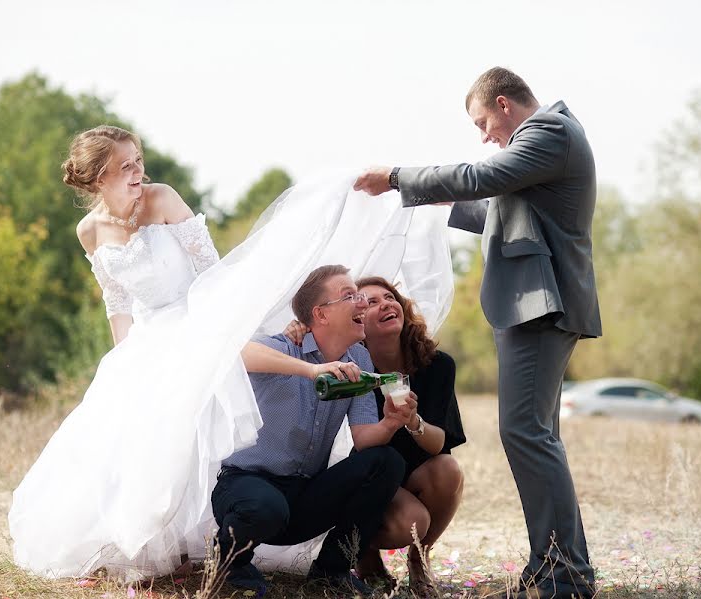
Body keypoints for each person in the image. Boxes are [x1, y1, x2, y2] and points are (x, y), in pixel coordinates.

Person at [354, 67, 601, 599]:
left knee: (527, 435)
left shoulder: (549, 132)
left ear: (506, 104)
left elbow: (482, 177)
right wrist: (442, 204)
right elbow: (497, 209)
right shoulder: (548, 144)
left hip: (541, 306)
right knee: (537, 436)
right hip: (535, 304)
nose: (484, 135)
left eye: (483, 122)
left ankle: (565, 574)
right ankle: (556, 564)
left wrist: (398, 177)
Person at [8, 126, 263, 580]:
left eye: (138, 161)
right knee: (126, 434)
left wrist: (218, 334)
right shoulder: (89, 231)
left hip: (196, 325)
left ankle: (206, 542)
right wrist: (123, 359)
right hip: (145, 339)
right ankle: (141, 544)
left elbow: (214, 272)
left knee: (187, 431)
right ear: (97, 178)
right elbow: (117, 300)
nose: (138, 173)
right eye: (125, 167)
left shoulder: (162, 198)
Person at [212, 265, 413, 597]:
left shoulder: (359, 360)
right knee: (266, 507)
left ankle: (331, 571)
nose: (362, 303)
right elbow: (236, 354)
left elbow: (364, 438)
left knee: (386, 461)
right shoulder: (286, 347)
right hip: (246, 488)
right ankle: (231, 562)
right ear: (320, 314)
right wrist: (313, 369)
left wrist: (391, 423)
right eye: (351, 296)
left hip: (303, 497)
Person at [356, 276, 466, 597]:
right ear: (356, 323)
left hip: (416, 473)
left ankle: (418, 562)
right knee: (410, 520)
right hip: (368, 478)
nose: (386, 303)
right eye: (371, 302)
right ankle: (365, 555)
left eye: (389, 297)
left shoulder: (437, 365)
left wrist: (412, 420)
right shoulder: (350, 370)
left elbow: (439, 444)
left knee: (449, 470)